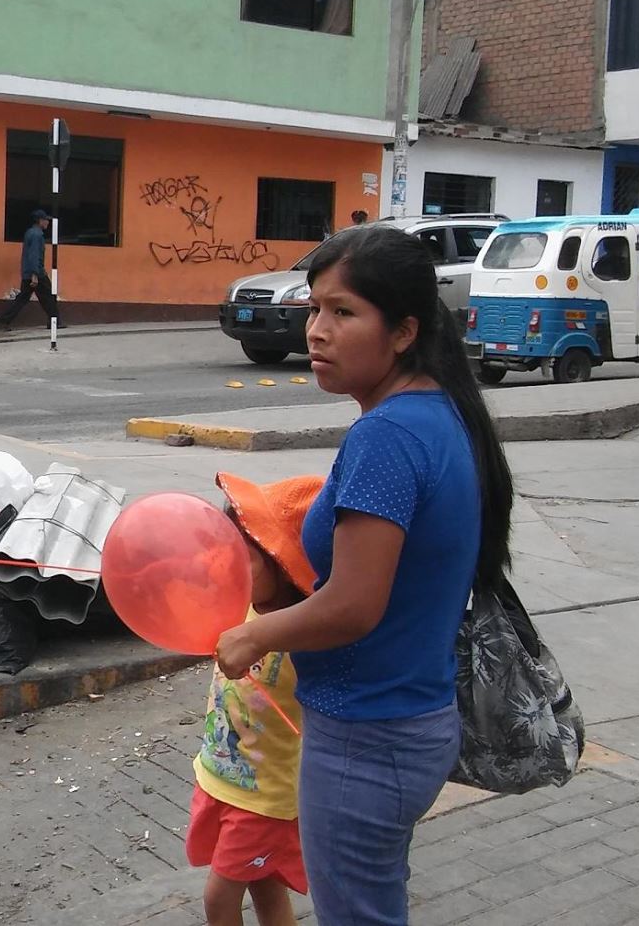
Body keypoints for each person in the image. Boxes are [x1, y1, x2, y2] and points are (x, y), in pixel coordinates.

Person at [214, 225, 514, 926]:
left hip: (367, 735)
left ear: (403, 330)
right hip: (410, 718)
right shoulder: (441, 416)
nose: (317, 330)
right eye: (315, 308)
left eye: (344, 313)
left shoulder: (387, 436)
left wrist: (254, 637)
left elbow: (354, 606)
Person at [190, 472, 323, 926]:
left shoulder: (302, 635)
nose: (227, 567)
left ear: (281, 564)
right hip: (221, 778)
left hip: (263, 800)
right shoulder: (241, 608)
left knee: (219, 900)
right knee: (267, 890)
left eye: (242, 560)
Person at [0, 208, 60, 330]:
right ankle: (55, 321)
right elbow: (34, 255)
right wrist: (35, 274)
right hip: (36, 273)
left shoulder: (30, 232)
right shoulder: (37, 235)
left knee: (23, 299)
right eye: (46, 220)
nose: (48, 222)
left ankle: (4, 320)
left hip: (28, 272)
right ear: (40, 221)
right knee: (49, 296)